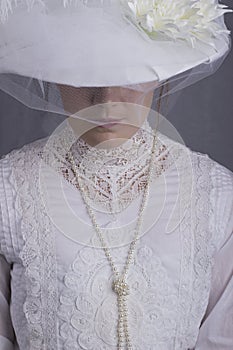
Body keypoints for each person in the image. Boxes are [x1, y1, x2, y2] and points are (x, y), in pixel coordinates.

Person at [0, 1, 232, 349]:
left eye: (130, 71)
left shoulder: (215, 195)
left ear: (162, 70)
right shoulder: (10, 189)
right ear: (53, 69)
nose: (106, 99)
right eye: (84, 71)